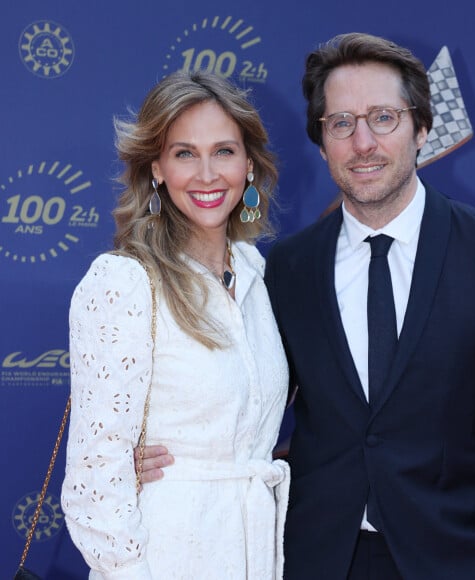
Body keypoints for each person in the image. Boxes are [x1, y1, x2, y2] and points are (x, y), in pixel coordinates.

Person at [140, 33, 475, 579]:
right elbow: (244, 397)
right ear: (321, 142)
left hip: (455, 560)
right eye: (341, 123)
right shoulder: (285, 269)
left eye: (383, 117)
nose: (362, 142)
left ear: (422, 129)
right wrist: (135, 457)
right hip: (316, 559)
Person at [61, 70, 290, 580]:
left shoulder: (256, 275)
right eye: (185, 153)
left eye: (224, 151)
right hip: (163, 560)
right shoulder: (123, 283)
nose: (207, 174)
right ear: (157, 168)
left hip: (253, 555)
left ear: (249, 165)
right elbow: (94, 481)